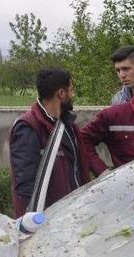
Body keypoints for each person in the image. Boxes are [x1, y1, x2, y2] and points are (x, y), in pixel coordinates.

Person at [9, 68, 88, 217]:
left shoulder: (69, 126)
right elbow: (25, 185)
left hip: (72, 212)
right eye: (71, 90)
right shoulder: (28, 127)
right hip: (48, 219)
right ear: (61, 93)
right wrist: (35, 221)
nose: (72, 95)